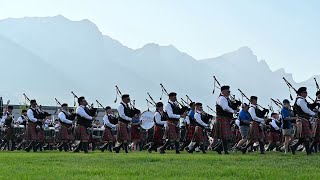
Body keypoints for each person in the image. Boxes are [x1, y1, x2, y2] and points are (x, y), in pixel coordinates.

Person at [290, 87, 315, 155]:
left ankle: (294, 147)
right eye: (305, 92)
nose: (306, 94)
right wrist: (313, 113)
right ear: (301, 93)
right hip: (302, 119)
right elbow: (305, 110)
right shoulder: (300, 100)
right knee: (307, 136)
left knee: (303, 138)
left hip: (304, 119)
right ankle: (308, 152)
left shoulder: (302, 100)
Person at [214, 86, 238, 154]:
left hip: (225, 118)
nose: (229, 93)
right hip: (222, 118)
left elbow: (229, 106)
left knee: (225, 136)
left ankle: (219, 148)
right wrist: (233, 111)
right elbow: (225, 108)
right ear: (223, 91)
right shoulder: (221, 98)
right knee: (225, 136)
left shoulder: (226, 99)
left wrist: (235, 106)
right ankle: (224, 150)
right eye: (228, 91)